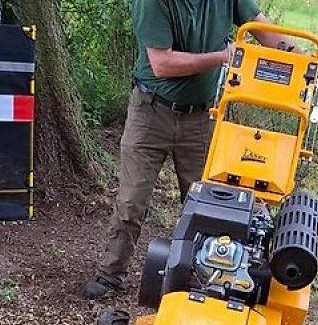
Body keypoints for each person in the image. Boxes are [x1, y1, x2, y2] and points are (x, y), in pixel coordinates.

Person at [84, 0, 295, 300]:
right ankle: (110, 274)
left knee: (211, 202)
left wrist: (301, 59)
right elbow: (162, 63)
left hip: (202, 117)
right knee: (132, 201)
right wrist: (224, 56)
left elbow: (264, 30)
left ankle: (209, 275)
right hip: (150, 112)